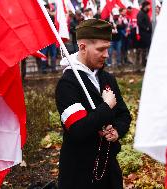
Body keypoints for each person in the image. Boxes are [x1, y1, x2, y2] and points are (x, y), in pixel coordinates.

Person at [55, 19, 132, 189]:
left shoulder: (107, 78)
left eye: (107, 48)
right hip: (79, 175)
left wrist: (117, 131)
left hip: (109, 171)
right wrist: (106, 107)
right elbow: (78, 129)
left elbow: (124, 115)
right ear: (82, 47)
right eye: (100, 49)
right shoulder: (68, 84)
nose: (106, 54)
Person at [137, 1, 152, 66]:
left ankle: (145, 61)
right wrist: (146, 28)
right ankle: (143, 62)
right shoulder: (141, 13)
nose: (149, 7)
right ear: (145, 6)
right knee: (144, 49)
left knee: (146, 48)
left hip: (147, 34)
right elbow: (139, 23)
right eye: (148, 6)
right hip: (144, 34)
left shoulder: (145, 13)